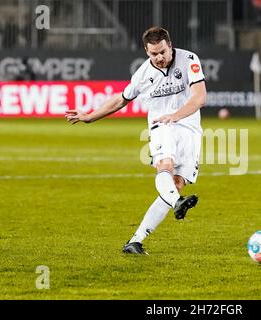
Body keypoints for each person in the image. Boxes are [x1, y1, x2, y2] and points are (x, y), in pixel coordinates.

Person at [65, 27, 207, 255]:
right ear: (146, 51)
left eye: (162, 52)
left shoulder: (189, 59)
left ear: (170, 46)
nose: (159, 58)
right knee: (165, 167)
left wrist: (176, 115)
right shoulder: (142, 74)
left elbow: (200, 97)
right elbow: (121, 100)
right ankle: (177, 203)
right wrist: (90, 116)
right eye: (153, 54)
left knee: (177, 184)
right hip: (161, 124)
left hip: (189, 126)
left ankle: (136, 241)